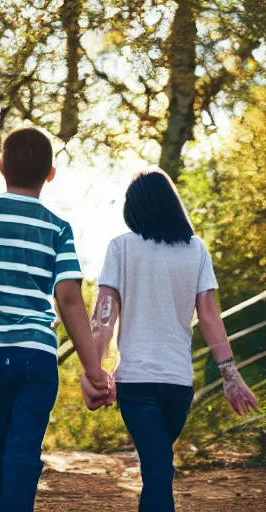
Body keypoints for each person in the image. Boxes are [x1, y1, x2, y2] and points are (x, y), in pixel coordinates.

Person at [0, 127, 110, 512]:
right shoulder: (58, 228)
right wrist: (93, 367)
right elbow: (69, 299)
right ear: (51, 173)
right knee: (24, 452)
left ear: (1, 166)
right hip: (36, 358)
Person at [81, 167, 259, 512]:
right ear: (172, 204)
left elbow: (104, 316)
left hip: (139, 382)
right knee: (159, 469)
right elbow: (209, 318)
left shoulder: (122, 247)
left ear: (133, 208)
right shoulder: (196, 250)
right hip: (177, 386)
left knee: (157, 470)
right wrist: (230, 375)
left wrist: (95, 368)